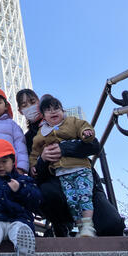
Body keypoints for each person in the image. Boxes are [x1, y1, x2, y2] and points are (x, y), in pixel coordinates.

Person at [16, 88, 125, 237]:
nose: (29, 106)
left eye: (32, 102)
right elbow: (35, 172)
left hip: (84, 180)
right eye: (24, 105)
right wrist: (42, 160)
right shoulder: (28, 138)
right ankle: (60, 226)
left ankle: (88, 226)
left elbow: (94, 145)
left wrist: (64, 148)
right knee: (45, 192)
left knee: (112, 225)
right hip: (57, 186)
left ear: (39, 102)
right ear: (20, 110)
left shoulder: (67, 122)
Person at [30, 94, 97, 236]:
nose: (53, 112)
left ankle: (88, 225)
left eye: (56, 108)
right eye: (48, 110)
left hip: (80, 168)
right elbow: (35, 152)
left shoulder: (72, 122)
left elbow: (85, 130)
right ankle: (81, 228)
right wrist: (35, 165)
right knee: (71, 200)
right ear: (43, 115)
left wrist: (86, 133)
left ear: (63, 111)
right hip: (62, 173)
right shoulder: (41, 134)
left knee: (84, 195)